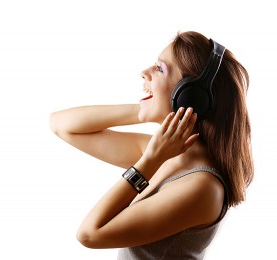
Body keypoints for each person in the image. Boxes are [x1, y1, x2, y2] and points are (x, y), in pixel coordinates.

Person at [49, 31, 254, 259]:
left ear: (189, 97)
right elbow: (61, 124)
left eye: (159, 69)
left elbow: (89, 234)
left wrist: (149, 161)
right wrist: (144, 111)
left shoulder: (202, 188)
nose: (144, 73)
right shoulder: (170, 155)